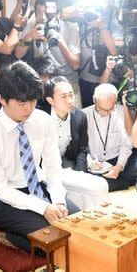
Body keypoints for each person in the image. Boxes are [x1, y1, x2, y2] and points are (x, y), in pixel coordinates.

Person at [0, 60, 79, 252]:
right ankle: (8, 235)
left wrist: (58, 201)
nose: (29, 109)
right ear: (2, 99)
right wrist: (43, 208)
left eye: (33, 101)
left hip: (39, 186)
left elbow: (53, 167)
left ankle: (34, 227)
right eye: (22, 102)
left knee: (79, 228)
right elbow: (1, 189)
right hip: (5, 200)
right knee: (50, 244)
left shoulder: (43, 120)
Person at [43, 76, 108, 208]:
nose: (69, 100)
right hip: (44, 167)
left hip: (67, 163)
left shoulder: (80, 116)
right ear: (50, 100)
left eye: (71, 95)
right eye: (63, 96)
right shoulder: (40, 117)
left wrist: (80, 174)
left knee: (89, 192)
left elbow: (82, 149)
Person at [16, 0, 82, 108]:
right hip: (42, 85)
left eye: (47, 13)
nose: (43, 17)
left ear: (58, 13)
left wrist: (59, 40)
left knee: (72, 122)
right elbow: (18, 54)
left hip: (67, 84)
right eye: (39, 12)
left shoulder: (71, 27)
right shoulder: (33, 25)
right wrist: (29, 37)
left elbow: (75, 65)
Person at [82, 84, 133, 192]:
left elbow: (127, 142)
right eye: (102, 109)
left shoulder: (121, 111)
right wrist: (89, 161)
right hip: (93, 164)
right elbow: (79, 147)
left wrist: (119, 166)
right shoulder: (83, 115)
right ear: (94, 100)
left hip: (116, 160)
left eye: (110, 109)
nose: (106, 113)